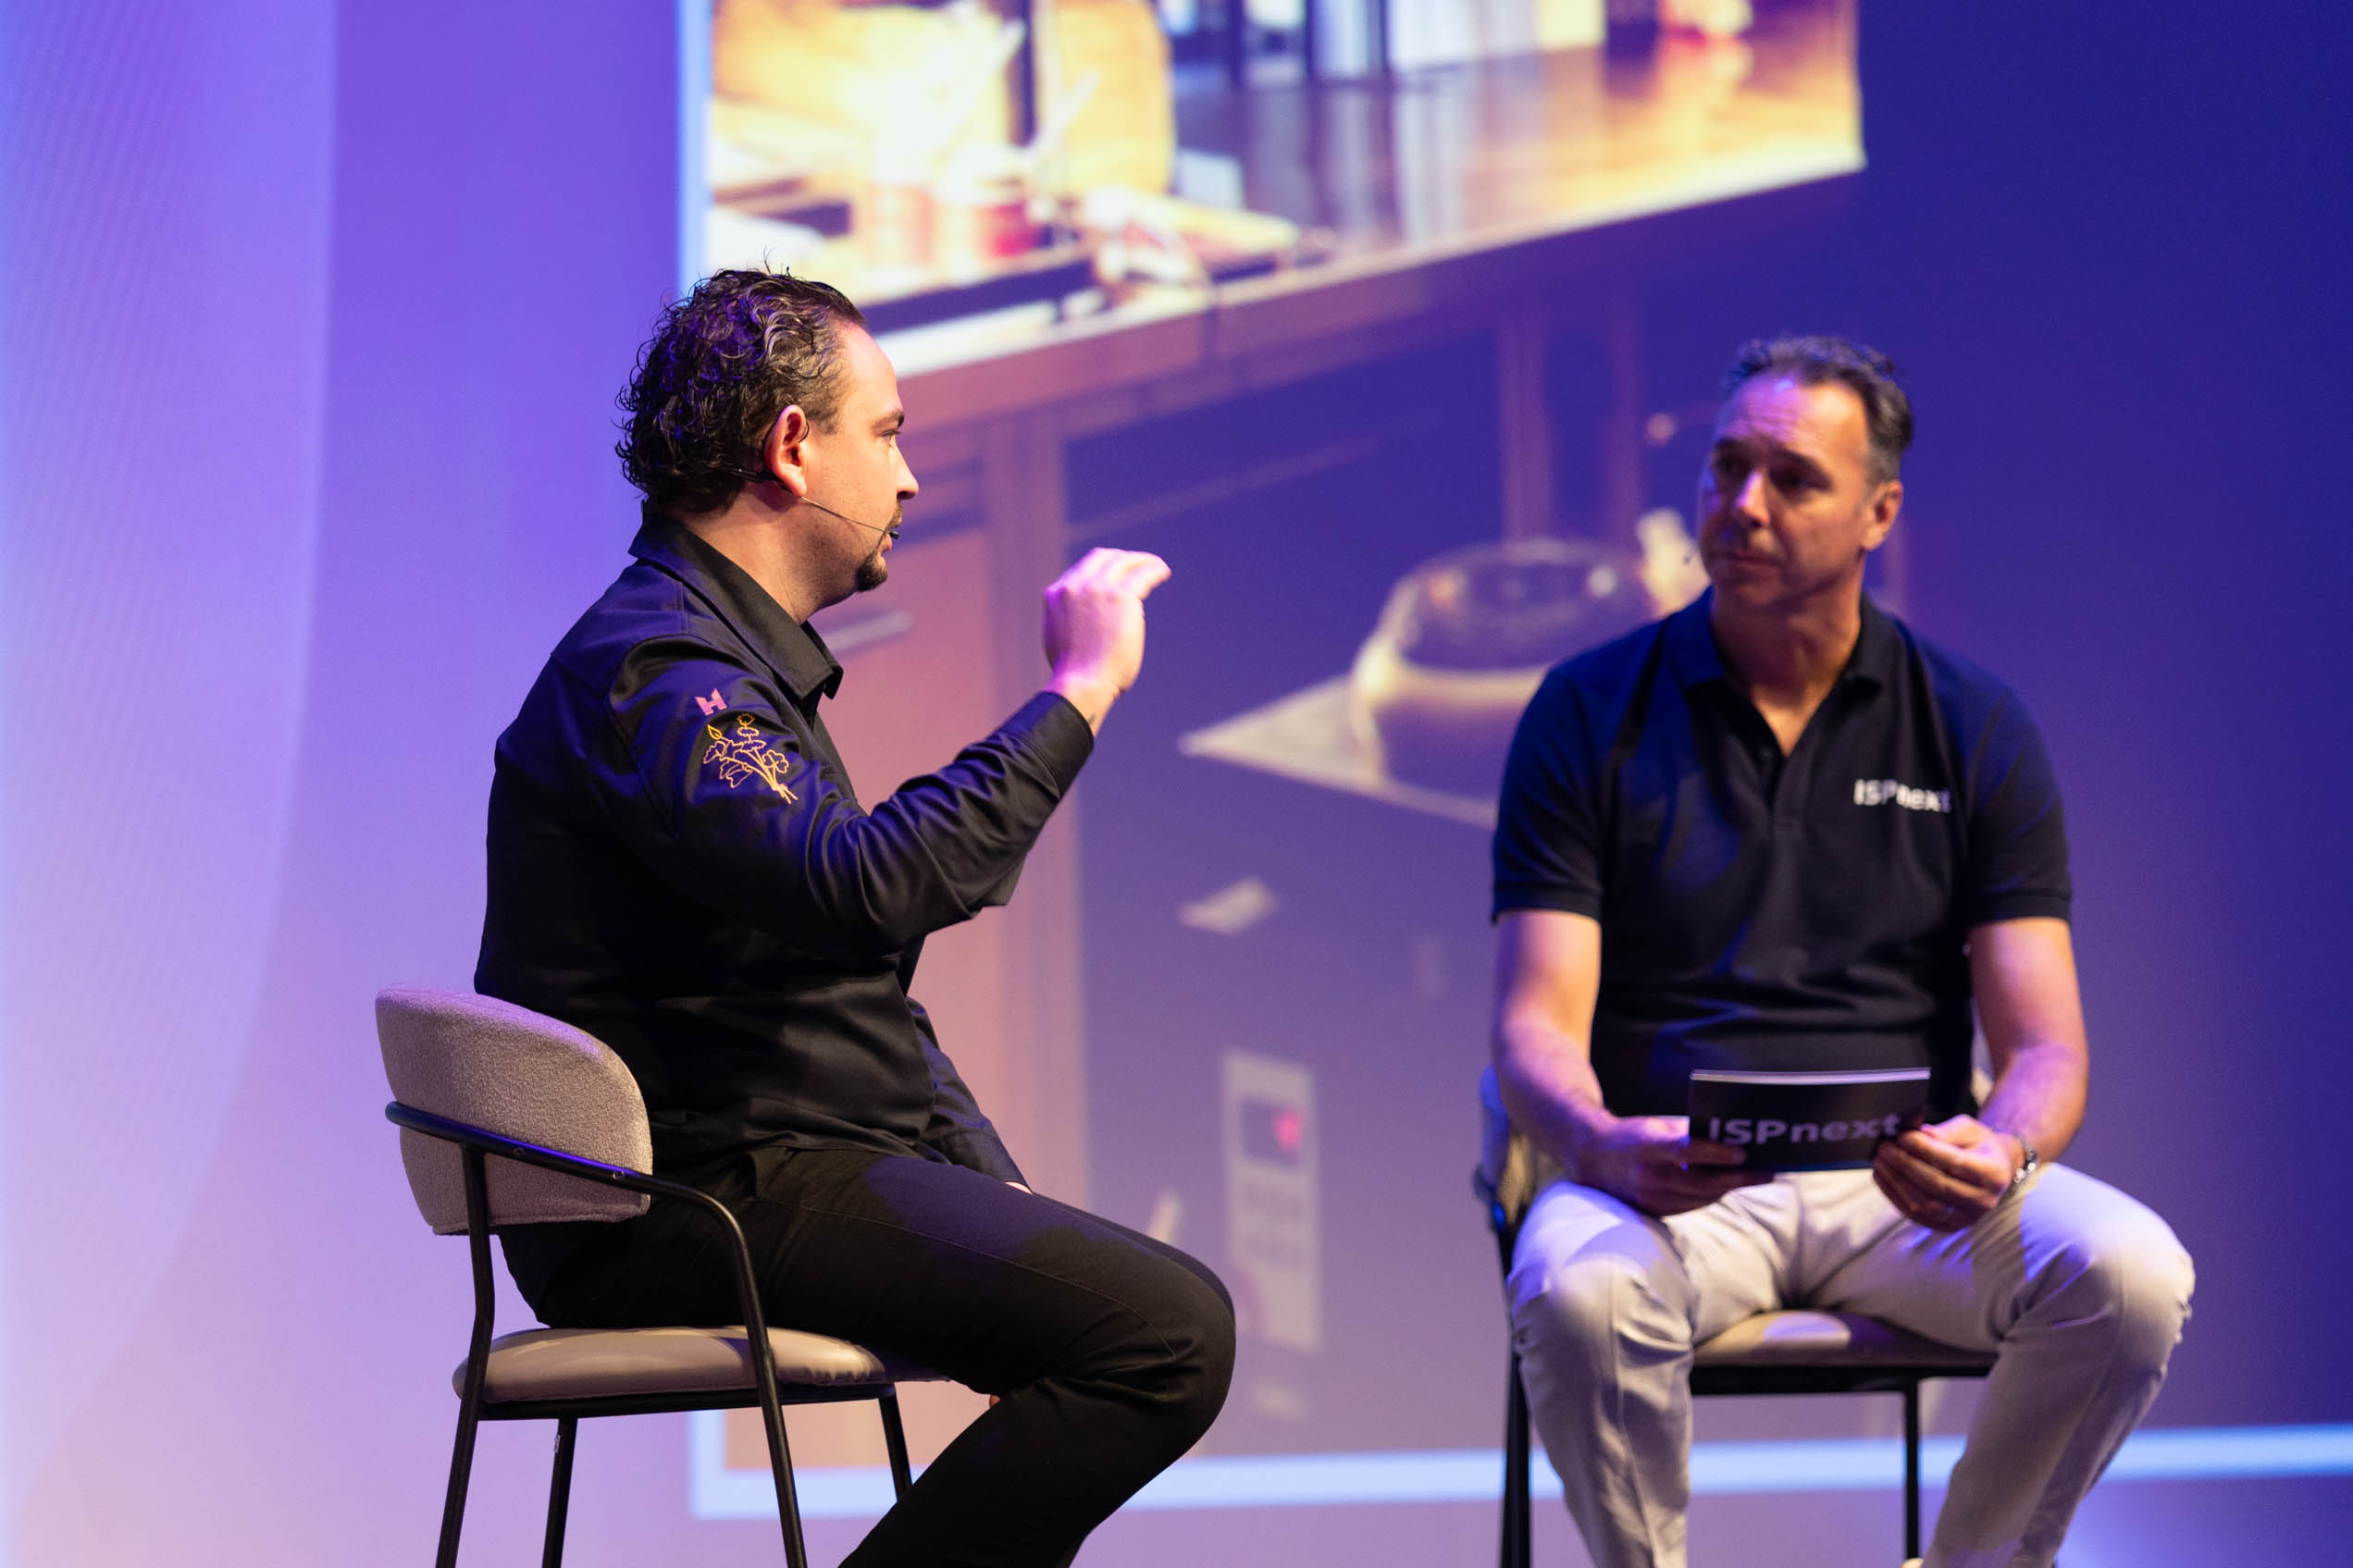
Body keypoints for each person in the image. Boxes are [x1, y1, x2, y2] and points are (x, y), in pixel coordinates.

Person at [475, 269, 1232, 1568]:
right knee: (1165, 1335)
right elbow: (866, 887)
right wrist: (1079, 691)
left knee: (1137, 1320)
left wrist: (986, 1180)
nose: (911, 477)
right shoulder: (658, 670)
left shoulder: (721, 660)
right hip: (682, 1202)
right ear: (791, 446)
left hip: (760, 1169)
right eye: (887, 434)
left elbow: (850, 982)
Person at [1487, 336, 2192, 1568]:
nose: (1743, 505)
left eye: (1793, 479)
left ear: (1880, 513)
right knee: (1574, 1289)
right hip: (1671, 1186)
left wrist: (2005, 1146)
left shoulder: (1972, 721)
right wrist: (1598, 1144)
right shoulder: (1588, 711)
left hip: (1905, 1192)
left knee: (2130, 1275)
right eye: (1726, 468)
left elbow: (2047, 1048)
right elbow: (1534, 1025)